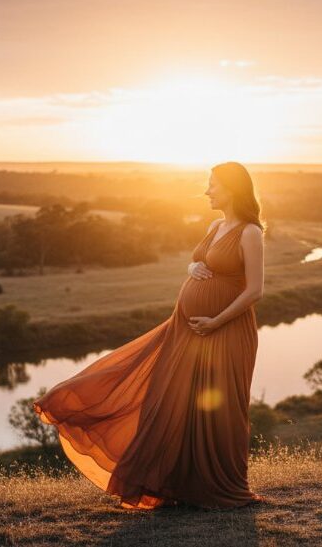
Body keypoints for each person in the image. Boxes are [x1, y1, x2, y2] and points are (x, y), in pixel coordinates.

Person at [33, 161, 267, 510]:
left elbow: (255, 290)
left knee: (221, 410)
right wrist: (192, 266)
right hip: (187, 331)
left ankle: (223, 488)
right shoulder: (215, 226)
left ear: (232, 189)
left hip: (226, 332)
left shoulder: (250, 232)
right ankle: (181, 486)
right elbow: (203, 263)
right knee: (175, 402)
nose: (206, 191)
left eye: (213, 184)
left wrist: (216, 321)